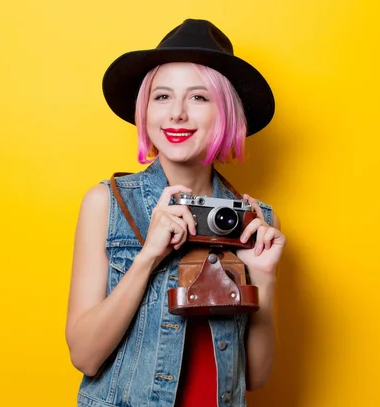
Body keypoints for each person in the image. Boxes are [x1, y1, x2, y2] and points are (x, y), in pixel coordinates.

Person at [65, 19, 286, 407]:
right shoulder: (107, 203)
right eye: (162, 96)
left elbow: (257, 376)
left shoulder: (255, 221)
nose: (177, 114)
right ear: (145, 109)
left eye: (199, 98)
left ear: (226, 112)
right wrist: (148, 256)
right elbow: (84, 356)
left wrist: (263, 279)